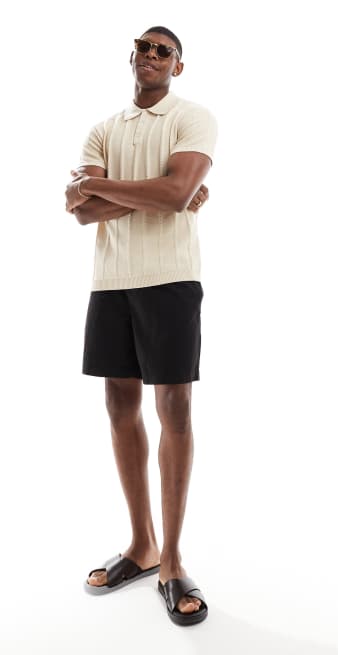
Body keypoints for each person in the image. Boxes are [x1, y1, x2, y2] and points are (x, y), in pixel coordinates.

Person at [65, 25, 217, 627]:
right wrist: (158, 193)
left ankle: (173, 560)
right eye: (143, 47)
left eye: (164, 51)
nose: (150, 55)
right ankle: (142, 545)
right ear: (132, 57)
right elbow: (82, 215)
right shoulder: (103, 129)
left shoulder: (192, 118)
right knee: (119, 407)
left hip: (170, 279)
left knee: (173, 410)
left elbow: (177, 193)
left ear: (177, 66)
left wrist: (93, 185)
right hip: (111, 282)